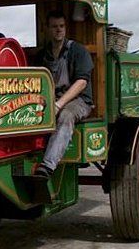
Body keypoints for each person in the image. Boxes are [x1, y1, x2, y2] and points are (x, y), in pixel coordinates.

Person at [34, 11, 94, 178]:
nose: (58, 30)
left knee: (66, 115)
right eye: (54, 27)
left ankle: (47, 166)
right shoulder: (42, 55)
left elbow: (82, 82)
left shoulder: (78, 50)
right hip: (51, 99)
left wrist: (58, 105)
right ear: (47, 29)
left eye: (61, 26)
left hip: (79, 100)